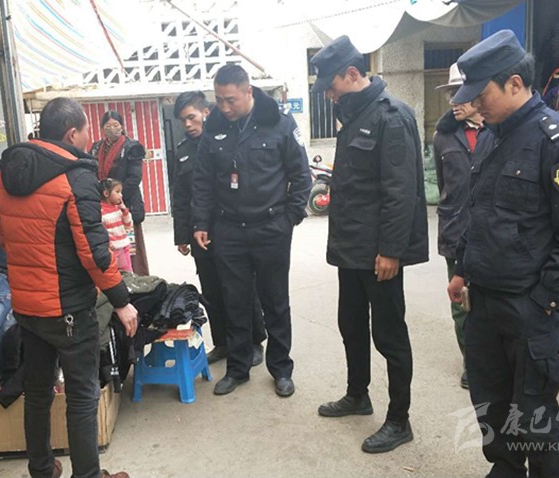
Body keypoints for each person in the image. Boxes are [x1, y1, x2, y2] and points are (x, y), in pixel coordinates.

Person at [446, 30, 559, 478]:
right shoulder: (493, 136)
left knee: (535, 414)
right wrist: (461, 269)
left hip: (528, 305)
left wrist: (544, 300)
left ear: (514, 83)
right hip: (483, 301)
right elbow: (478, 212)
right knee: (492, 405)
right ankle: (506, 469)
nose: (476, 104)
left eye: (483, 94)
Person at [0, 97, 137, 478]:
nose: (91, 137)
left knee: (38, 391)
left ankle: (42, 469)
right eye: (87, 130)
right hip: (68, 307)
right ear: (72, 133)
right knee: (82, 394)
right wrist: (121, 300)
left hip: (27, 305)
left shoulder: (5, 175)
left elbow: (7, 239)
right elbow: (95, 251)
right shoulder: (76, 178)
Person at [309, 35, 428, 454]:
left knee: (390, 336)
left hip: (380, 253)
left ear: (351, 74)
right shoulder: (354, 113)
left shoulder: (391, 117)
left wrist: (392, 250)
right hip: (352, 250)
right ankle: (357, 395)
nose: (329, 94)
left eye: (331, 86)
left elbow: (400, 191)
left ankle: (399, 420)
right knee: (352, 325)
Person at [192, 64, 311, 397]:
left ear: (248, 92)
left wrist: (290, 218)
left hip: (271, 227)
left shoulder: (279, 122)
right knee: (235, 302)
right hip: (229, 229)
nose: (224, 107)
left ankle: (281, 369)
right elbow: (202, 180)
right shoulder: (214, 126)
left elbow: (301, 175)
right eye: (219, 100)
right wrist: (201, 222)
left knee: (275, 302)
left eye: (230, 100)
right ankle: (238, 368)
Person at [171, 90, 266, 366]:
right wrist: (181, 235)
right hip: (199, 234)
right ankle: (223, 342)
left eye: (191, 117)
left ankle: (254, 341)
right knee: (211, 290)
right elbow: (180, 196)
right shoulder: (183, 151)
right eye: (183, 120)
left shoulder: (225, 141)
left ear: (206, 112)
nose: (188, 124)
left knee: (241, 287)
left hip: (230, 228)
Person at [433, 62, 491, 390]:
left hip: (491, 234)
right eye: (450, 94)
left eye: (460, 93)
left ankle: (493, 360)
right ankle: (472, 362)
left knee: (491, 302)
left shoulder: (499, 130)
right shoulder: (443, 136)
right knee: (462, 303)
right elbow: (445, 186)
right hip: (455, 233)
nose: (454, 101)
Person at [91, 111, 150, 275]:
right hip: (104, 208)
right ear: (102, 128)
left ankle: (135, 279)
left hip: (125, 205)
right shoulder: (96, 148)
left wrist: (116, 197)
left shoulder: (132, 147)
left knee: (130, 251)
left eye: (116, 125)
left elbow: (134, 177)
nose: (112, 129)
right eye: (108, 125)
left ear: (122, 126)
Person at [101, 178, 133, 273]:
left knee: (127, 271)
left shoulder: (118, 208)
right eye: (117, 192)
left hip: (124, 246)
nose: (121, 195)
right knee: (114, 272)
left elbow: (128, 225)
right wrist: (108, 243)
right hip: (112, 248)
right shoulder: (101, 211)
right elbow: (101, 231)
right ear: (106, 193)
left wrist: (124, 211)